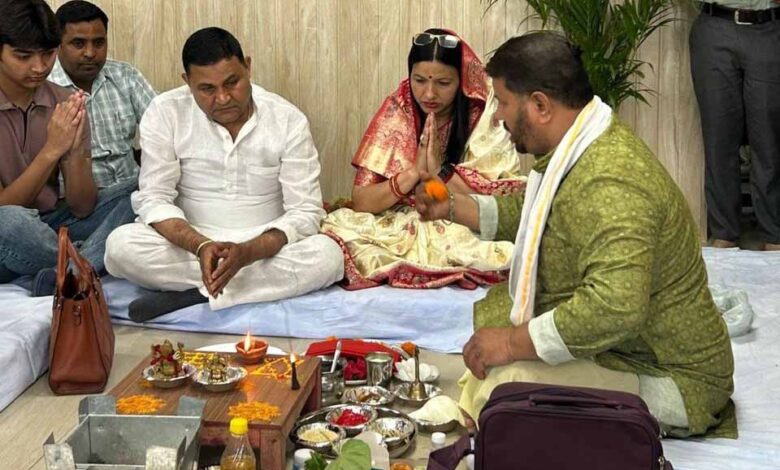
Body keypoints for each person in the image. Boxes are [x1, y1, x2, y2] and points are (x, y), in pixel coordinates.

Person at [416, 32, 736, 437]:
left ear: (540, 105)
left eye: (503, 103)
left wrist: (512, 342)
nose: (496, 117)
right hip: (624, 350)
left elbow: (614, 306)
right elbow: (537, 212)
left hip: (672, 379)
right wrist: (451, 206)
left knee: (506, 388)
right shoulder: (579, 146)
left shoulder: (611, 180)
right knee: (494, 373)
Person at [104, 27, 344, 320]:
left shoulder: (287, 119)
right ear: (187, 82)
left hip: (262, 246)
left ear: (248, 67)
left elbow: (305, 210)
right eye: (207, 89)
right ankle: (234, 287)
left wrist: (248, 253)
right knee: (120, 247)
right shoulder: (165, 111)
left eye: (232, 82)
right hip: (191, 243)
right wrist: (201, 245)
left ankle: (194, 295)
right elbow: (154, 198)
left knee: (327, 256)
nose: (223, 98)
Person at [321, 29, 525, 290]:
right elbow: (362, 201)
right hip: (400, 223)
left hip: (461, 222)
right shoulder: (399, 108)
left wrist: (440, 171)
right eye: (419, 80)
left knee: (506, 250)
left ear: (462, 81)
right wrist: (413, 174)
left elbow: (497, 204)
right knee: (337, 229)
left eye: (443, 83)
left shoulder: (485, 113)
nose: (429, 94)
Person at [0, 0, 133, 297]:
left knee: (140, 191)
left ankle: (68, 272)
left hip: (51, 224)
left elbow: (82, 207)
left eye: (48, 54)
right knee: (10, 222)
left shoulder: (65, 102)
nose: (39, 67)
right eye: (23, 56)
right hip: (7, 232)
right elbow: (5, 209)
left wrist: (74, 154)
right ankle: (86, 262)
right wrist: (52, 150)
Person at [690, 1, 780, 251]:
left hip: (769, 27)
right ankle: (723, 232)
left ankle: (773, 234)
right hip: (714, 26)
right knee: (718, 139)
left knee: (769, 140)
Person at [49, 0, 156, 190]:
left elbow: (164, 126)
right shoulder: (44, 88)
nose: (90, 53)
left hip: (135, 188)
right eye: (78, 43)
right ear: (58, 46)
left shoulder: (125, 75)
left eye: (99, 43)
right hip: (75, 199)